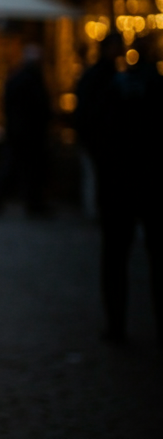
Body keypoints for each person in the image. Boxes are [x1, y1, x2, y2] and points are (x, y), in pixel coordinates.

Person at [75, 32, 163, 345]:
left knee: (114, 257)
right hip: (149, 184)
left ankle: (116, 325)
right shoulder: (149, 86)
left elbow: (89, 127)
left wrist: (103, 165)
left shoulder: (112, 87)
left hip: (118, 183)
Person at [0, 44, 53, 216]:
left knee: (16, 166)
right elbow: (37, 105)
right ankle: (30, 202)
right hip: (28, 132)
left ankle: (2, 198)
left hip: (20, 130)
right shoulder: (30, 79)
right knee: (26, 168)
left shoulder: (19, 78)